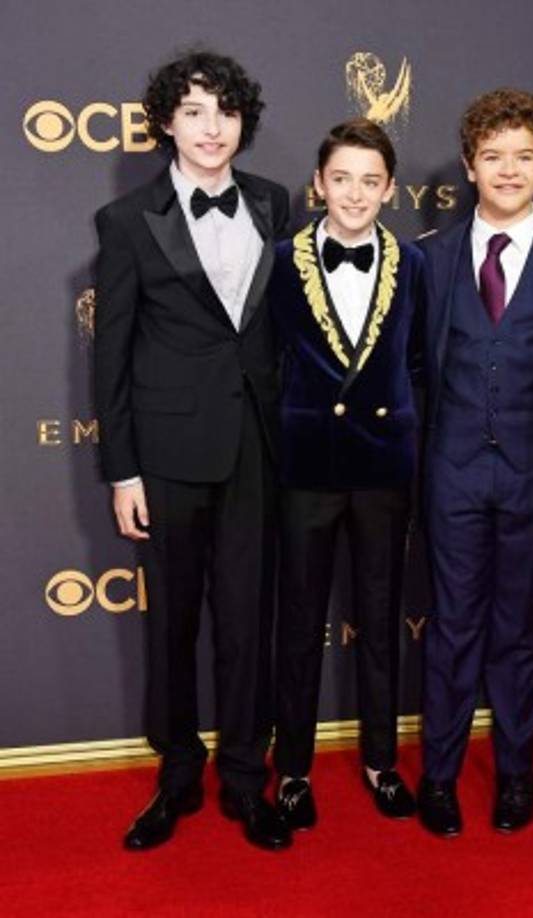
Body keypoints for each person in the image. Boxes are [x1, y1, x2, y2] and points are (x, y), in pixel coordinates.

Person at [94, 50, 291, 851]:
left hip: (258, 446)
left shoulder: (278, 204)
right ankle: (176, 774)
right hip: (168, 452)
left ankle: (248, 776)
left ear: (243, 122)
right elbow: (108, 353)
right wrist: (121, 469)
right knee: (171, 624)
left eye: (226, 112)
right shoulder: (125, 221)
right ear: (167, 123)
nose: (213, 129)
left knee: (249, 623)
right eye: (196, 112)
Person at [416, 89, 533, 837]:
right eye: (493, 157)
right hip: (451, 472)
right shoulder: (430, 257)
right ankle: (440, 775)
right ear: (469, 164)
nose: (508, 169)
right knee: (452, 627)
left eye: (523, 157)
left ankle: (515, 773)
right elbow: (411, 371)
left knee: (518, 632)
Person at [269, 118, 423, 830]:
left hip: (383, 471)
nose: (355, 193)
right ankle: (293, 769)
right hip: (307, 470)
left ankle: (380, 761)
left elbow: (419, 365)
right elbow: (266, 365)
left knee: (381, 621)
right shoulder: (279, 259)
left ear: (389, 190)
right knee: (297, 624)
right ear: (317, 185)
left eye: (370, 180)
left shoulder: (415, 266)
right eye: (341, 178)